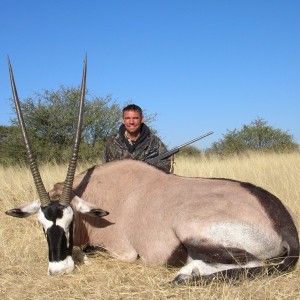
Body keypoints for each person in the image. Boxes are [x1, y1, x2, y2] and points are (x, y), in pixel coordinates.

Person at [103, 104, 172, 173]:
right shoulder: (112, 143)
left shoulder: (154, 141)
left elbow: (166, 164)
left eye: (135, 118)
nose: (131, 122)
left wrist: (146, 168)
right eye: (127, 118)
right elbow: (105, 168)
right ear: (123, 120)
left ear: (142, 119)